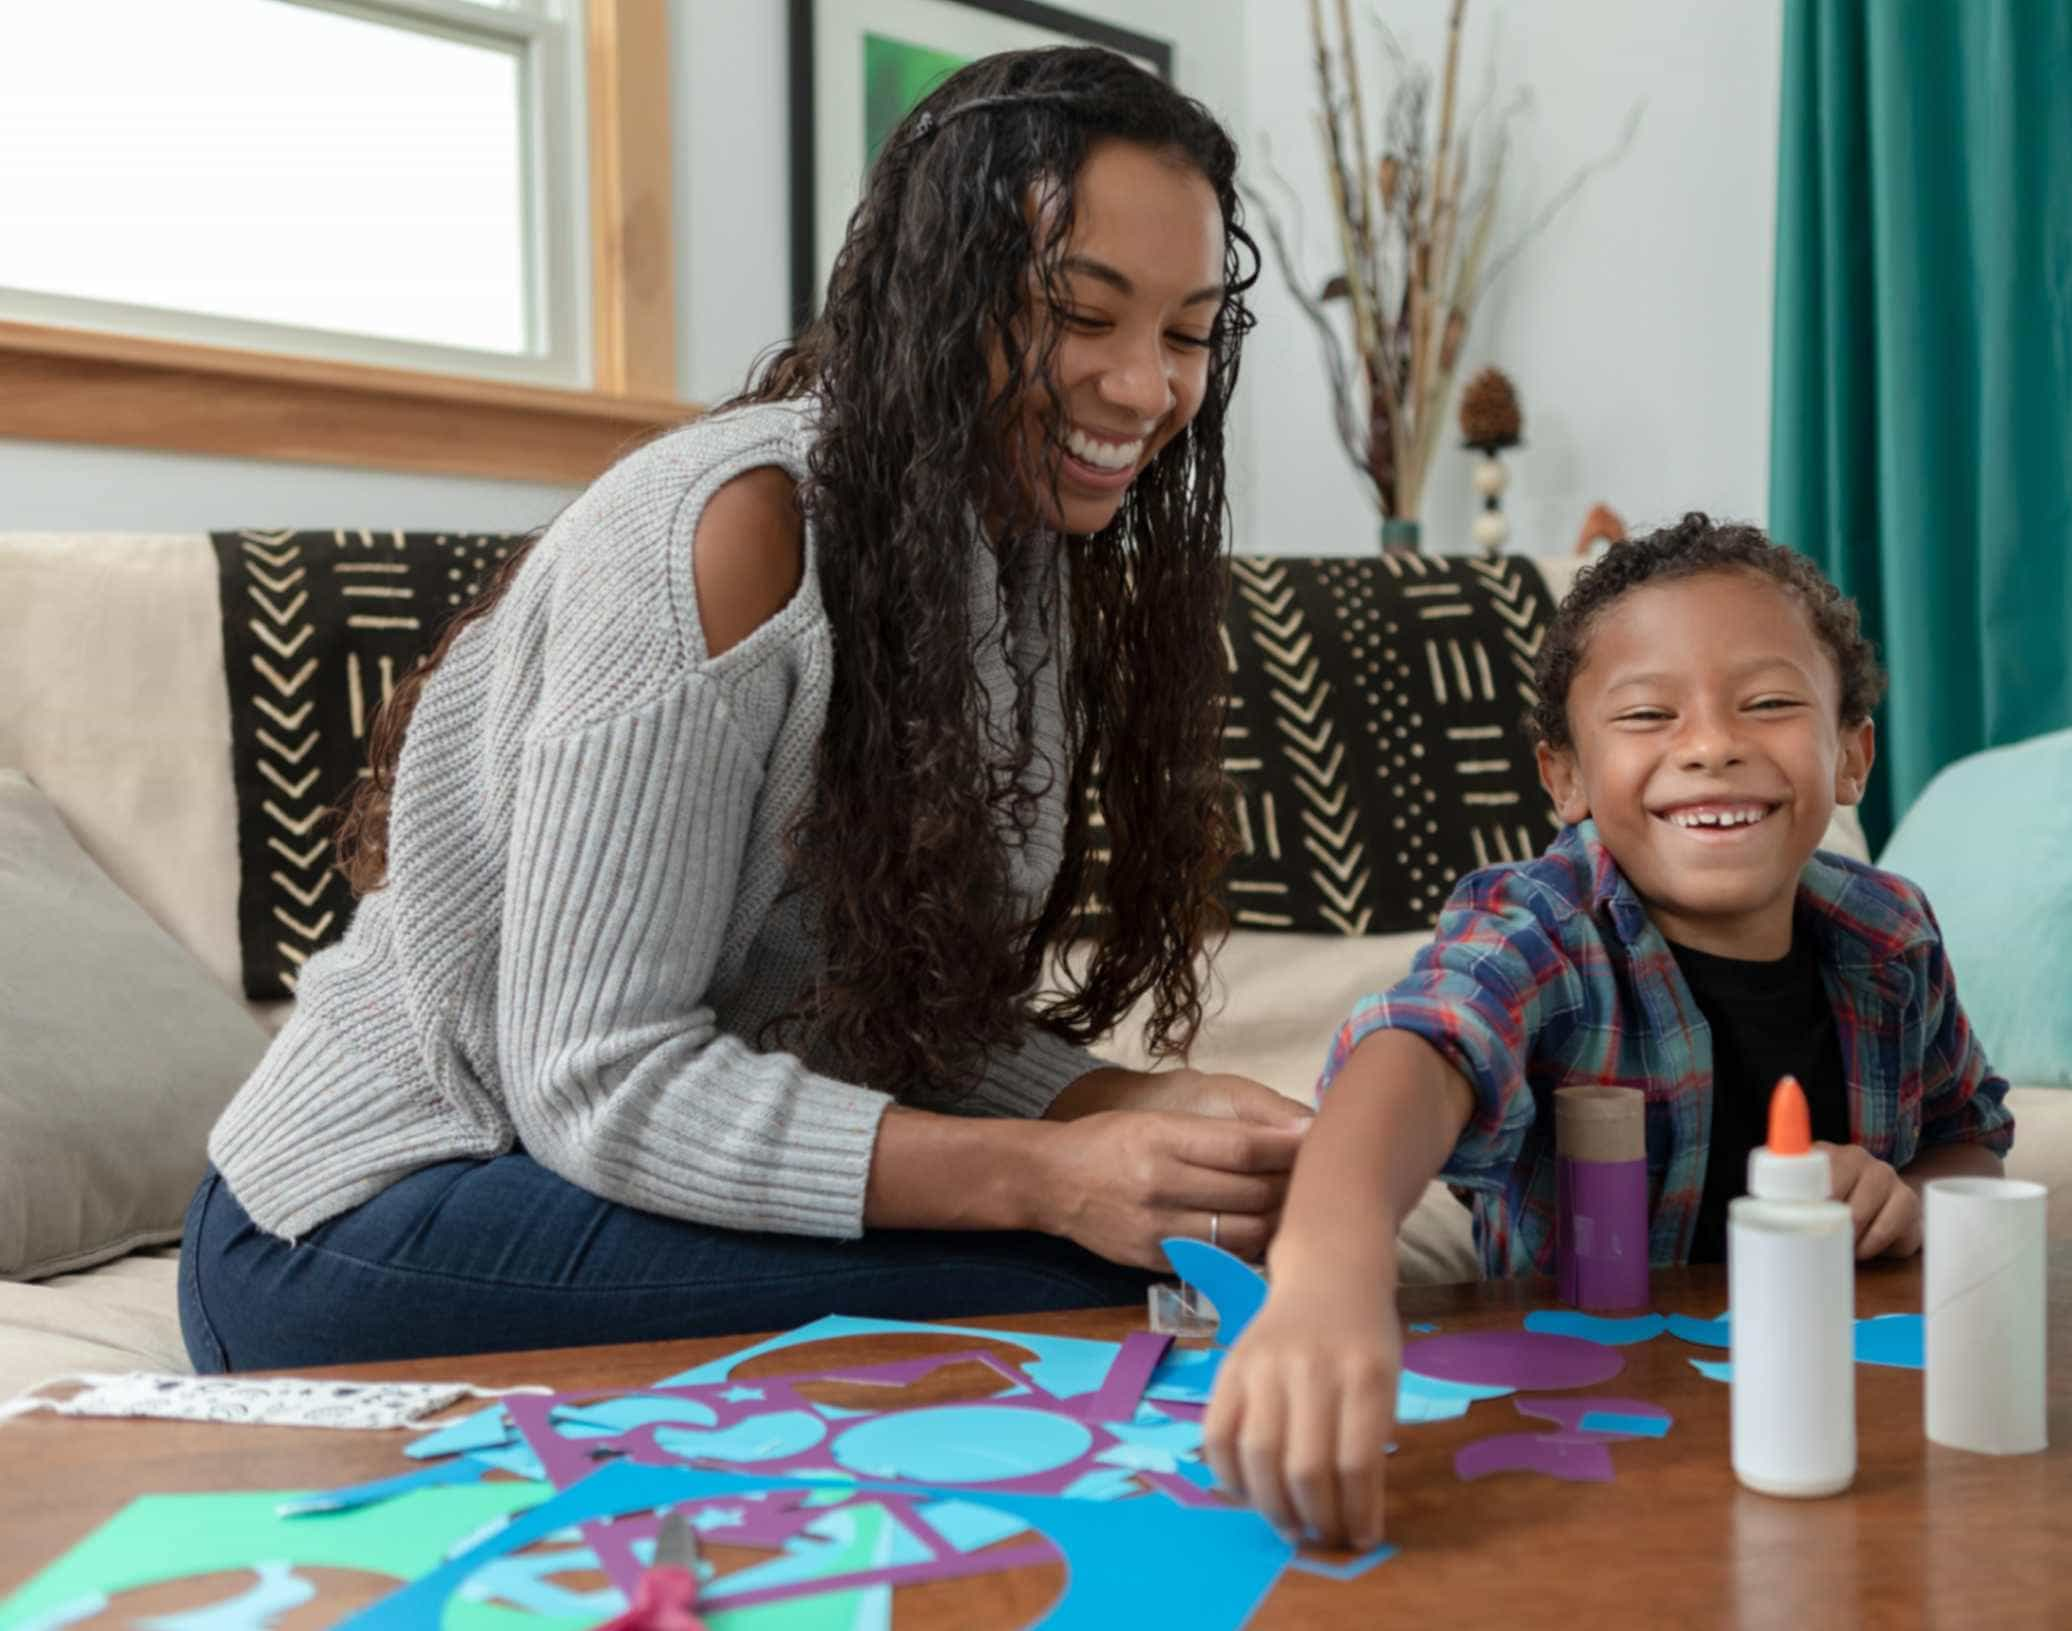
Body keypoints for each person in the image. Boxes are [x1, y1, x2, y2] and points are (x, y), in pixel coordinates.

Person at [180, 46, 1314, 1373]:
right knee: (1089, 1277)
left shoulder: (1001, 554)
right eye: (1080, 310)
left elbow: (864, 1015)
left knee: (1196, 1232)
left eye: (1184, 333)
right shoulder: (721, 532)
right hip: (359, 1216)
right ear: (933, 292)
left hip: (575, 1180)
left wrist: (1131, 1102)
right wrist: (1051, 1173)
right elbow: (595, 1078)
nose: (1143, 386)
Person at [1203, 514, 2015, 1547]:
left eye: (1768, 703)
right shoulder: (1544, 924)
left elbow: (1971, 1143)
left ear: (1851, 753)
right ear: (1566, 778)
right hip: (1588, 1431)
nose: (1714, 743)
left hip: (1837, 1425)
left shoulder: (1891, 936)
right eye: (1646, 713)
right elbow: (1418, 1045)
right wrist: (1328, 1271)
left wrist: (1911, 1199)